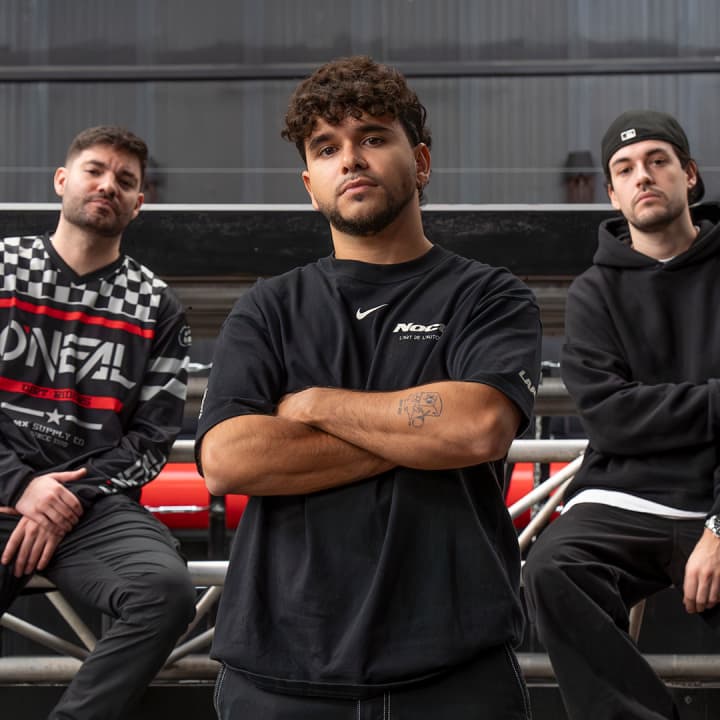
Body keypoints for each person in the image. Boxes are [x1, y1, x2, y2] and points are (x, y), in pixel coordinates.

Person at [196, 56, 541, 719]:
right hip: (279, 672)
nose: (350, 159)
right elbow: (229, 460)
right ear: (310, 185)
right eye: (327, 149)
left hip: (453, 669)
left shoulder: (488, 295)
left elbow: (477, 428)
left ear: (422, 162)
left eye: (373, 137)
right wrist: (419, 436)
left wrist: (317, 405)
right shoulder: (268, 308)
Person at [524, 109, 720, 720]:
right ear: (612, 193)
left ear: (690, 175)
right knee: (552, 569)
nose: (644, 176)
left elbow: (632, 410)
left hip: (714, 499)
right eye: (626, 169)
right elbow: (611, 418)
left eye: (659, 161)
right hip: (624, 497)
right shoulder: (594, 292)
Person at [0, 126, 196, 719]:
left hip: (91, 509)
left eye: (125, 180)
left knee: (165, 593)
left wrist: (63, 500)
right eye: (95, 170)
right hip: (5, 488)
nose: (108, 185)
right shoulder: (5, 267)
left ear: (139, 204)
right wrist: (21, 485)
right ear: (62, 180)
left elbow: (152, 441)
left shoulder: (156, 305)